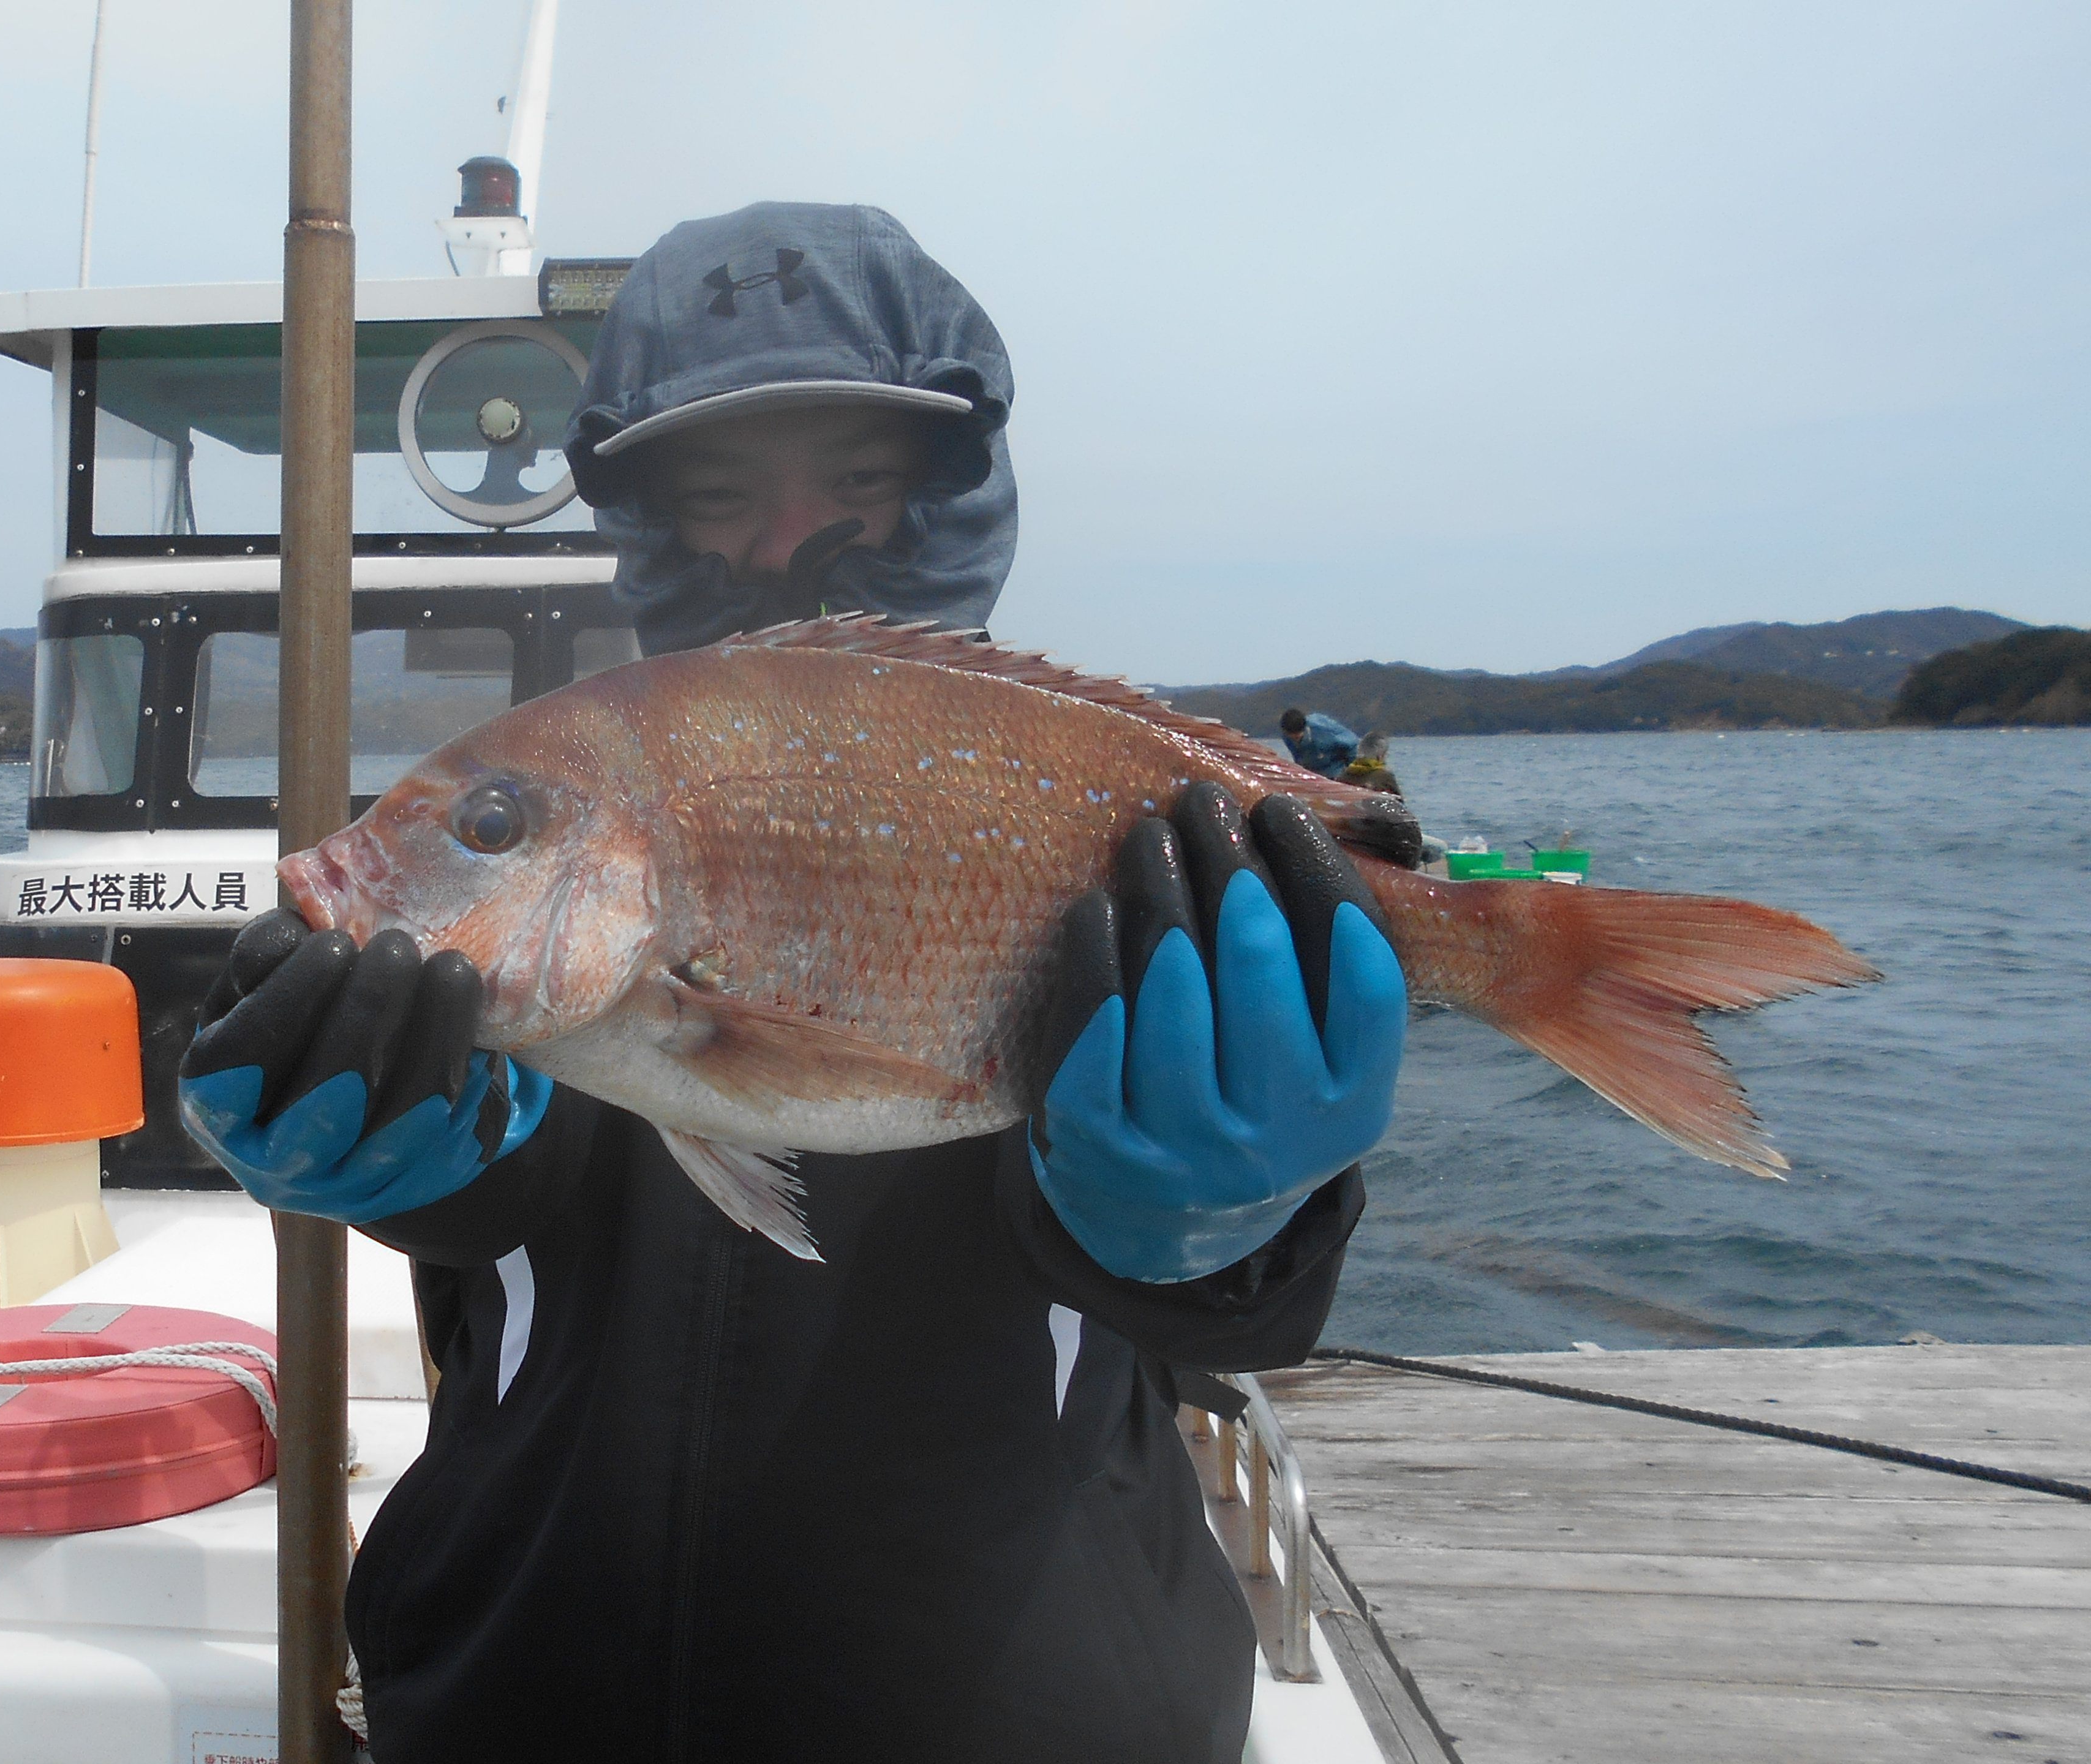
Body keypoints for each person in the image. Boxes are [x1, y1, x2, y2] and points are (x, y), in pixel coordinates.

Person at [178, 204, 1406, 1762]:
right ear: (641, 517)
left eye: (857, 480)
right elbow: (521, 1210)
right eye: (716, 492)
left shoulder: (1060, 795)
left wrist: (1241, 1216)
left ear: (950, 497)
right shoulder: (594, 796)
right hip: (525, 1692)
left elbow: (1223, 1318)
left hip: (1023, 1711)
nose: (782, 538)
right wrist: (393, 1148)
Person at [1278, 706, 1361, 779]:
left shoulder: (1323, 730)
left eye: (1297, 737)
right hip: (1314, 774)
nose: (1294, 740)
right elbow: (1298, 757)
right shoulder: (1287, 735)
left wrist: (1352, 773)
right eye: (1289, 736)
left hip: (1337, 770)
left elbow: (1352, 744)